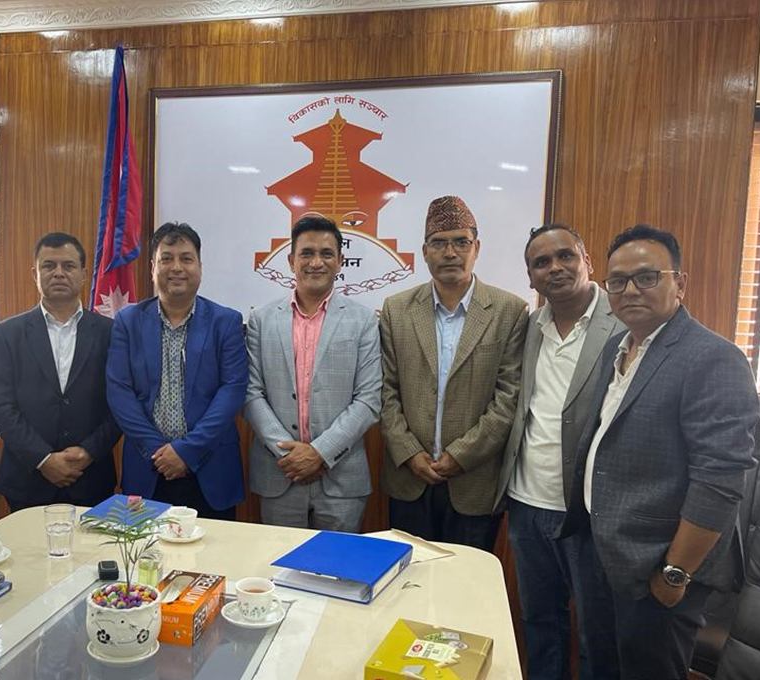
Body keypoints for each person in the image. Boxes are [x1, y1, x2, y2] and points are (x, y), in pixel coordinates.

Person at [562, 225, 759, 679]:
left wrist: (675, 572)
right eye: (617, 281)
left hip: (659, 566)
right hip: (601, 550)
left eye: (647, 277)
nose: (630, 290)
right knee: (601, 665)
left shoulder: (713, 358)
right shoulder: (618, 346)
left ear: (680, 283)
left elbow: (720, 480)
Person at [493, 224, 623, 680]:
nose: (555, 268)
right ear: (530, 278)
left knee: (596, 630)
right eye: (541, 263)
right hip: (527, 504)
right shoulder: (530, 327)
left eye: (565, 256)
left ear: (587, 259)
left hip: (588, 511)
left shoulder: (624, 322)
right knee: (539, 621)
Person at [379, 195, 527, 550]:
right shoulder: (397, 309)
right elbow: (384, 391)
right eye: (439, 243)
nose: (450, 253)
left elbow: (509, 398)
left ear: (476, 248)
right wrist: (411, 453)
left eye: (461, 242)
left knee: (466, 591)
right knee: (406, 586)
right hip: (409, 479)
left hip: (474, 481)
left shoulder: (510, 311)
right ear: (425, 251)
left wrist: (459, 456)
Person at [243, 216, 381, 532]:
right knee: (280, 574)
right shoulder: (262, 320)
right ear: (292, 261)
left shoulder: (363, 321)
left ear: (340, 262)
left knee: (338, 575)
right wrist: (292, 456)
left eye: (326, 253)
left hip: (341, 480)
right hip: (280, 473)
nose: (316, 262)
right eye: (306, 253)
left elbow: (369, 400)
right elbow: (251, 394)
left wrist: (319, 452)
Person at [106, 222, 247, 519]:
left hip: (210, 468)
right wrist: (161, 452)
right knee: (146, 561)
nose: (176, 267)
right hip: (149, 468)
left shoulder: (226, 321)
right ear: (152, 267)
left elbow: (232, 391)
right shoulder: (128, 321)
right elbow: (119, 392)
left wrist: (185, 451)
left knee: (214, 561)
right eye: (166, 258)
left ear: (200, 266)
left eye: (186, 258)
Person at [0, 233, 119, 511]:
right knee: (27, 555)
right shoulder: (7, 333)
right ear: (35, 273)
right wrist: (44, 459)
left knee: (89, 555)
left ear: (83, 275)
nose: (58, 273)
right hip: (27, 478)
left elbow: (120, 403)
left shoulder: (110, 332)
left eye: (68, 266)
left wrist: (89, 451)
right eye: (49, 266)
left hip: (91, 477)